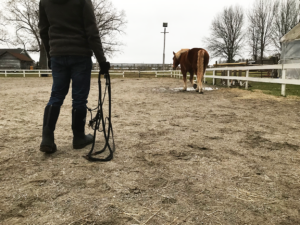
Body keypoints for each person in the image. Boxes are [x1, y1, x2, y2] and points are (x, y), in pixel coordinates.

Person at [38, 0, 110, 154]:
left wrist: (51, 53)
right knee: (79, 98)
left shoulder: (44, 1)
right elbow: (92, 32)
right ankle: (78, 138)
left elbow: (44, 30)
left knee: (56, 95)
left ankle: (47, 138)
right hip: (80, 55)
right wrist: (102, 60)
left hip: (57, 54)